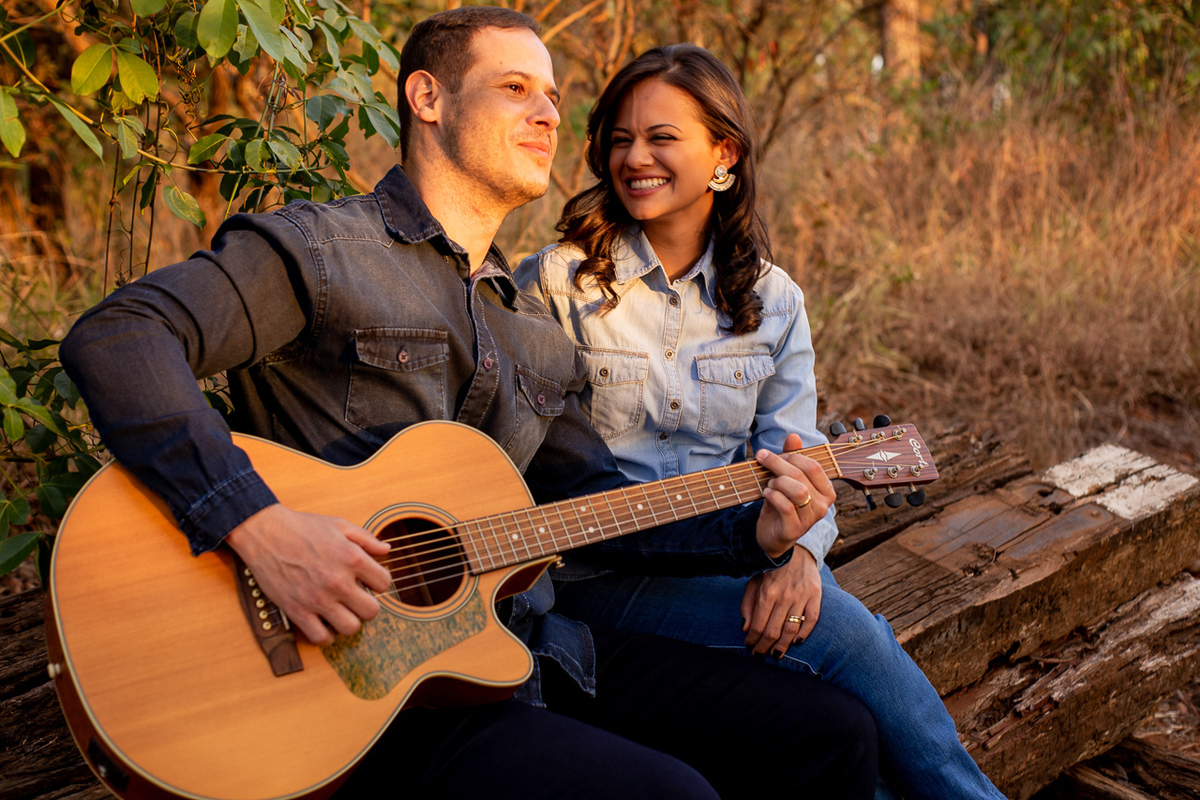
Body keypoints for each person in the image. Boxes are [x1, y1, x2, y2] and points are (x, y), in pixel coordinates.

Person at [59, 8, 879, 798]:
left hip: (518, 656)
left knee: (827, 735)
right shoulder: (324, 251)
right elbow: (122, 337)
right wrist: (261, 528)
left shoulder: (531, 332)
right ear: (428, 99)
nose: (549, 113)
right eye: (516, 88)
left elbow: (600, 506)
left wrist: (755, 530)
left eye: (554, 96)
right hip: (357, 689)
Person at [515, 44, 1007, 800]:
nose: (634, 157)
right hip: (597, 575)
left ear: (724, 155)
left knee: (848, 732)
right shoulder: (559, 283)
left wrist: (801, 558)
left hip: (730, 558)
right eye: (619, 138)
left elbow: (795, 452)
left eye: (661, 138)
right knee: (843, 635)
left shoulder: (775, 303)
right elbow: (540, 472)